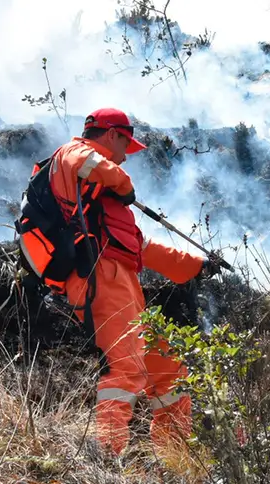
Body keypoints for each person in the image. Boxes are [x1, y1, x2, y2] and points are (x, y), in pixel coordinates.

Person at [50, 108, 218, 456]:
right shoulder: (75, 154)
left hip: (122, 285)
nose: (127, 157)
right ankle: (106, 459)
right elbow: (85, 161)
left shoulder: (104, 197)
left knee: (169, 368)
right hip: (98, 278)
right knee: (125, 367)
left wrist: (196, 266)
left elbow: (141, 249)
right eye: (127, 145)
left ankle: (175, 458)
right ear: (112, 135)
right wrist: (123, 184)